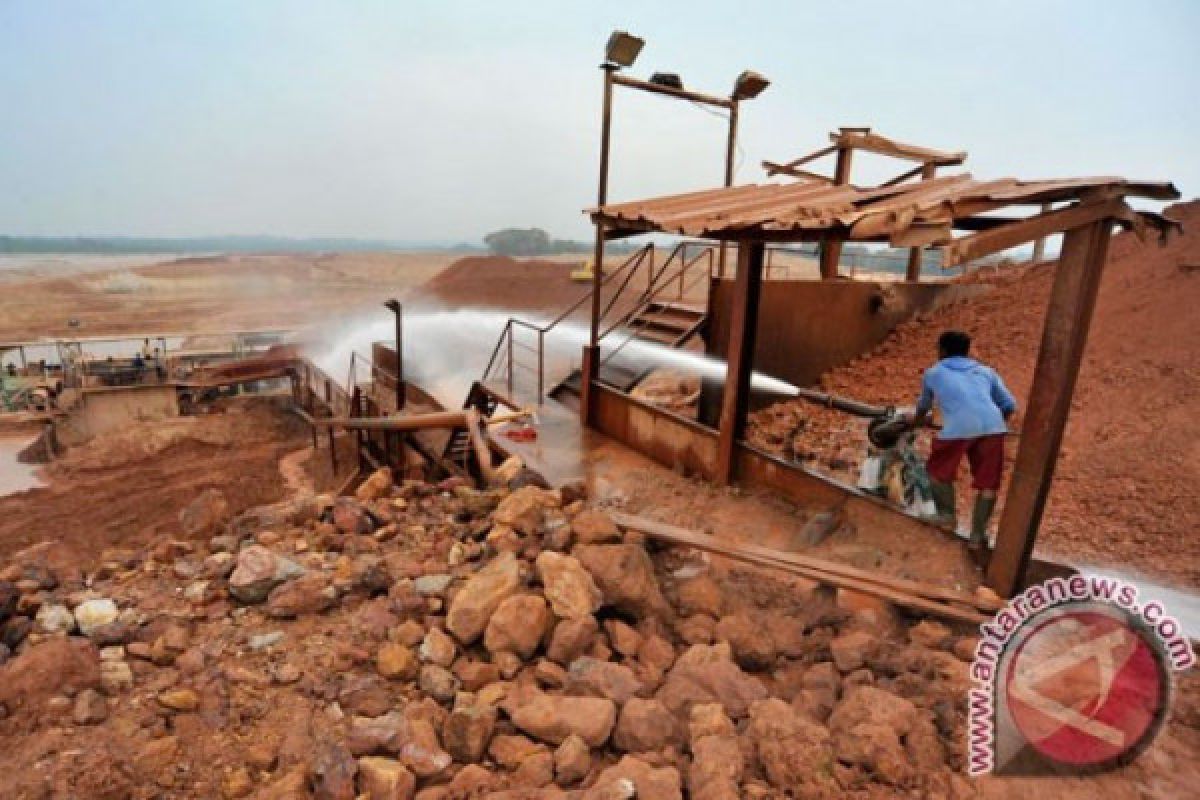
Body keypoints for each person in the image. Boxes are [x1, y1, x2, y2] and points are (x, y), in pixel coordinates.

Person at [908, 330, 1017, 560]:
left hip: (958, 427)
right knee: (988, 483)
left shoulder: (933, 373)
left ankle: (947, 516)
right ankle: (977, 536)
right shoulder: (986, 372)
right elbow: (1009, 404)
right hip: (993, 427)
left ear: (943, 350)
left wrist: (915, 423)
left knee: (937, 470)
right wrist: (993, 425)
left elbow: (924, 406)